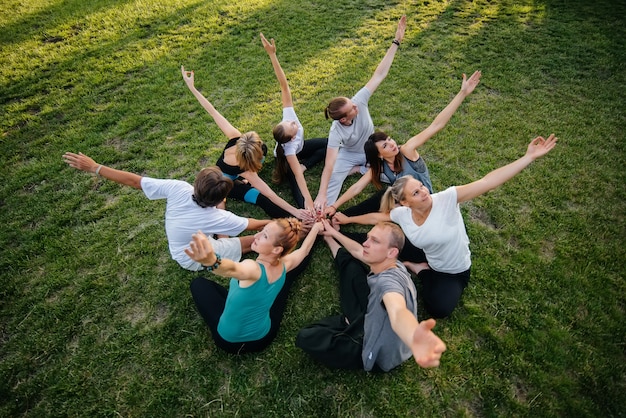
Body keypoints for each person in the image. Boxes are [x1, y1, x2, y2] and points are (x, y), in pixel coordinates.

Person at [331, 134, 558, 318]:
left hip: (452, 271)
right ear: (404, 202)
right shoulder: (402, 213)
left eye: (421, 187)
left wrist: (528, 158)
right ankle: (334, 233)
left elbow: (488, 181)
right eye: (416, 192)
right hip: (425, 249)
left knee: (439, 309)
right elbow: (377, 218)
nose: (425, 193)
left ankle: (420, 269)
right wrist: (347, 220)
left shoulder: (446, 199)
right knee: (376, 242)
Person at [62, 152, 269, 271]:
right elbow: (254, 224)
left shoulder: (178, 188)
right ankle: (227, 243)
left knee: (224, 224)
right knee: (254, 240)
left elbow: (134, 181)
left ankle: (222, 239)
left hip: (194, 235)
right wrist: (280, 222)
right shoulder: (216, 216)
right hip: (191, 256)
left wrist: (96, 167)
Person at [325, 71, 482, 218]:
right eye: (385, 146)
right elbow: (357, 188)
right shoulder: (379, 166)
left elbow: (436, 125)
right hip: (405, 204)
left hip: (423, 202)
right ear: (379, 155)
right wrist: (334, 206)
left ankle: (344, 217)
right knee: (384, 197)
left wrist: (462, 94)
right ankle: (340, 216)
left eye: (389, 139)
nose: (392, 144)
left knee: (386, 202)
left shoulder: (406, 150)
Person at [296, 220, 446, 371]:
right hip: (373, 315)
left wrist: (414, 337)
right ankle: (355, 320)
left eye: (375, 241)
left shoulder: (387, 283)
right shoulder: (393, 263)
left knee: (306, 336)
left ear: (391, 252)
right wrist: (331, 233)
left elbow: (397, 311)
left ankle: (352, 324)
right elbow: (356, 250)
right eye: (368, 238)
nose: (366, 244)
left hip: (373, 349)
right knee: (353, 268)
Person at [181, 66, 312, 221]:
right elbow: (269, 193)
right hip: (228, 184)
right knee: (262, 199)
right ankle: (297, 222)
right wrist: (295, 212)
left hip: (241, 172)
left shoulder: (235, 138)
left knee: (261, 160)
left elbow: (213, 112)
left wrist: (192, 88)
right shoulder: (246, 170)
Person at [185, 219, 323, 354]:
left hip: (229, 342)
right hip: (264, 337)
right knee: (287, 279)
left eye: (265, 235)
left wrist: (212, 262)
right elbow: (304, 251)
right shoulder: (285, 265)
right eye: (262, 231)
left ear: (277, 249)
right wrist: (316, 228)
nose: (256, 236)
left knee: (198, 284)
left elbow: (231, 269)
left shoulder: (252, 268)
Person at [313, 15, 407, 211]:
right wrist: (322, 194)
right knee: (332, 180)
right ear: (344, 119)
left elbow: (379, 74)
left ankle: (361, 169)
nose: (356, 105)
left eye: (353, 103)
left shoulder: (359, 100)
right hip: (349, 154)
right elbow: (329, 165)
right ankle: (321, 215)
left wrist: (396, 41)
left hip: (373, 149)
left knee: (395, 172)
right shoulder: (336, 131)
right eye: (352, 108)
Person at [260, 33, 328, 212]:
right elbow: (299, 178)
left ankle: (306, 164)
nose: (292, 122)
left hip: (301, 148)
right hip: (291, 157)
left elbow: (284, 86)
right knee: (296, 188)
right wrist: (310, 202)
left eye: (289, 123)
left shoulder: (288, 117)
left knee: (330, 144)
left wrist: (272, 55)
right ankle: (307, 212)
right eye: (291, 126)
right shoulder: (289, 151)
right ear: (291, 138)